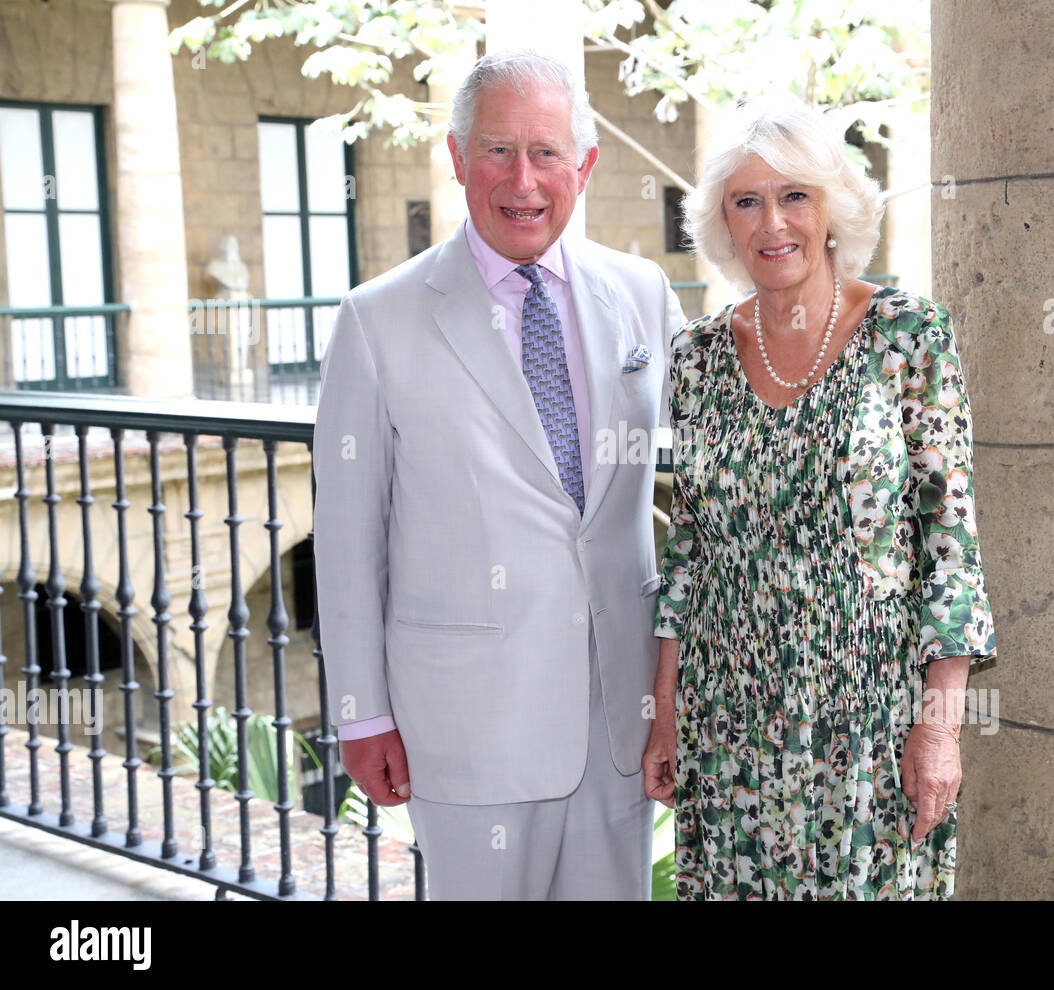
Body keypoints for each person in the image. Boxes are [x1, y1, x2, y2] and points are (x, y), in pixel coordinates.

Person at [312, 49, 685, 900]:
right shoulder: (377, 321)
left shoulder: (643, 294)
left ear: (583, 167)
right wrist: (363, 713)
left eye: (548, 152)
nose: (524, 179)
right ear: (455, 158)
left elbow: (713, 463)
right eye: (498, 151)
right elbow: (346, 539)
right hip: (467, 725)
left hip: (616, 718)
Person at [640, 97, 998, 900]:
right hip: (729, 725)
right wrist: (664, 709)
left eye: (794, 195)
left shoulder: (909, 335)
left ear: (832, 207)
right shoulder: (697, 357)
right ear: (723, 224)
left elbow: (949, 543)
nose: (773, 222)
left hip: (869, 724)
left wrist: (938, 729)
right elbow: (690, 550)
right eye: (747, 201)